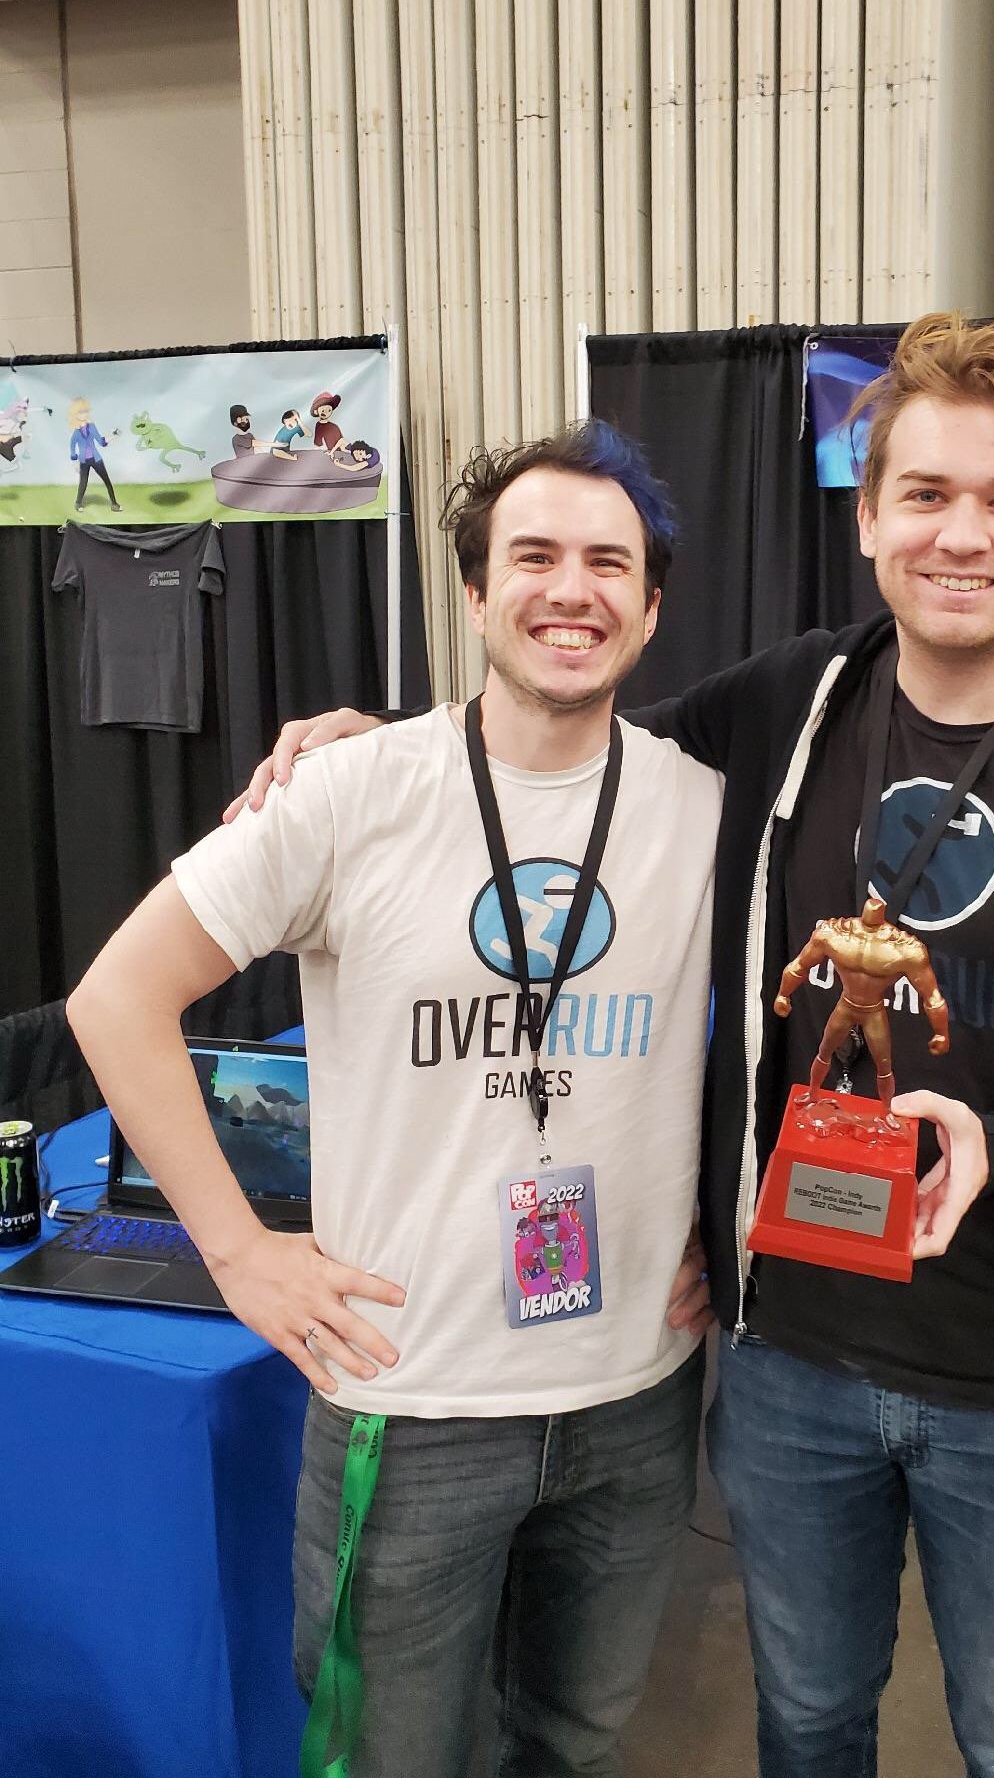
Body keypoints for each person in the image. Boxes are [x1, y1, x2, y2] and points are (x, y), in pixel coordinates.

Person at [235, 313, 994, 1778]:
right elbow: (559, 746)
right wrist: (387, 743)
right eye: (923, 494)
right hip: (786, 1358)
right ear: (867, 519)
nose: (960, 536)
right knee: (803, 1719)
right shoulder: (791, 707)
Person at [71, 421, 747, 1778]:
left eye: (609, 563)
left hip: (635, 1391)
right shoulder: (349, 793)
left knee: (573, 1737)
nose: (574, 589)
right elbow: (114, 1002)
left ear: (653, 605)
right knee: (385, 1754)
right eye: (536, 556)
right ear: (477, 594)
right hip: (412, 1393)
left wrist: (717, 1226)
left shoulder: (708, 810)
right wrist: (239, 1252)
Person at [69, 397, 119, 510]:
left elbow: (101, 442)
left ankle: (114, 504)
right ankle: (78, 503)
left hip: (96, 459)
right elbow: (72, 446)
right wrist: (74, 462)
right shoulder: (76, 432)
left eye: (86, 411)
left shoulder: (92, 427)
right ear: (75, 414)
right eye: (81, 412)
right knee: (83, 483)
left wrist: (112, 437)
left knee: (107, 481)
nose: (84, 414)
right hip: (83, 461)